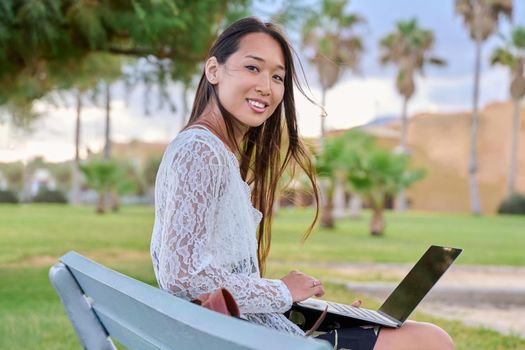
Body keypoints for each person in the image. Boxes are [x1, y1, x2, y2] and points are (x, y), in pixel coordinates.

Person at [150, 17, 454, 350]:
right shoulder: (200, 151)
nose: (267, 86)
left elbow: (209, 278)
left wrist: (313, 316)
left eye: (277, 76)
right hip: (241, 342)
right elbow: (182, 276)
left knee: (414, 335)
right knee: (430, 340)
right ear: (213, 70)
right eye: (253, 68)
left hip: (248, 336)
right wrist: (281, 291)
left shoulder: (214, 152)